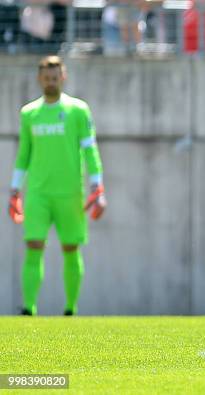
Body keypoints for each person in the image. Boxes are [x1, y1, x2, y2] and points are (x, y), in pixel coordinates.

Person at [8, 56, 107, 316]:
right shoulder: (29, 113)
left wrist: (98, 188)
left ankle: (70, 309)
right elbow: (23, 154)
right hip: (38, 193)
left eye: (55, 78)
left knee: (71, 248)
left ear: (63, 77)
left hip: (70, 193)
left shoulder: (78, 110)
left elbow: (90, 150)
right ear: (39, 79)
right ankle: (28, 308)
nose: (51, 82)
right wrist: (15, 189)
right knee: (33, 246)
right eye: (46, 78)